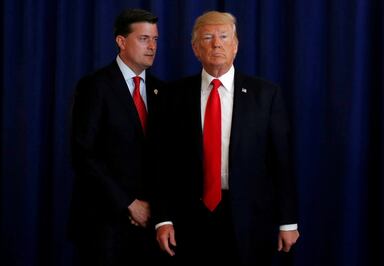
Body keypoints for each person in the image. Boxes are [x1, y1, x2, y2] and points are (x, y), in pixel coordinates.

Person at [153, 11, 299, 266]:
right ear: (195, 48)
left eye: (223, 36)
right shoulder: (172, 96)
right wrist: (163, 218)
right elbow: (162, 162)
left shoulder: (265, 95)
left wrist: (288, 221)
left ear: (236, 45)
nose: (216, 44)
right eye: (207, 37)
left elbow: (281, 162)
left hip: (251, 217)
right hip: (190, 218)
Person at [68, 8, 164, 266]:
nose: (152, 46)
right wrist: (129, 204)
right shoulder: (94, 86)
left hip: (151, 225)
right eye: (144, 39)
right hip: (103, 224)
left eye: (155, 39)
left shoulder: (161, 90)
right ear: (121, 42)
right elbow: (83, 155)